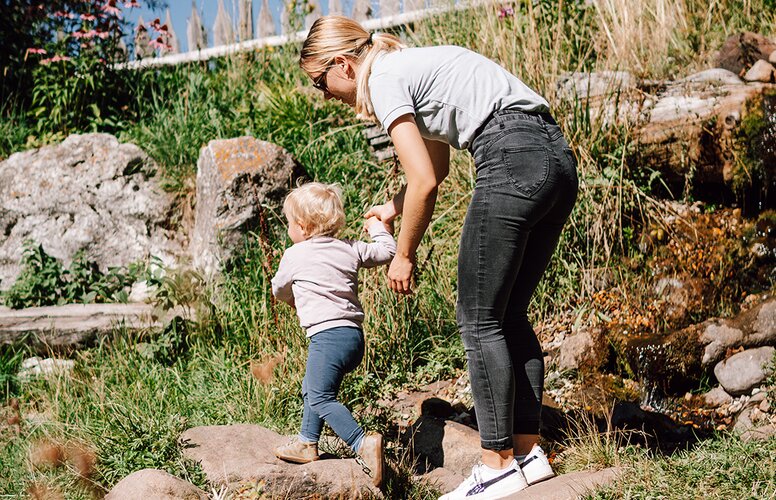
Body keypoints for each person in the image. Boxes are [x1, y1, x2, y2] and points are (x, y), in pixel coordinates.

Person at [300, 16, 579, 500]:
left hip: (510, 156)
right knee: (508, 313)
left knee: (478, 320)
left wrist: (402, 254)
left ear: (342, 64)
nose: (325, 95)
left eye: (320, 83)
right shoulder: (404, 67)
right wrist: (393, 207)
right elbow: (437, 167)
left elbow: (426, 182)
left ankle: (495, 466)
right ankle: (528, 455)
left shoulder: (384, 80)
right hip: (554, 158)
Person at [270, 181, 396, 487]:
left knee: (321, 395)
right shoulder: (349, 247)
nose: (289, 229)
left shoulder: (294, 255)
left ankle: (360, 443)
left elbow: (278, 289)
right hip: (352, 337)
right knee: (312, 388)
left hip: (326, 338)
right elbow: (387, 251)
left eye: (289, 224)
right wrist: (378, 226)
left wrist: (293, 299)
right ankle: (307, 442)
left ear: (301, 226)